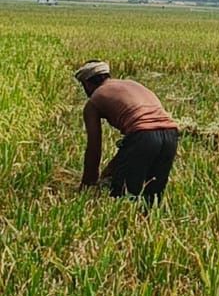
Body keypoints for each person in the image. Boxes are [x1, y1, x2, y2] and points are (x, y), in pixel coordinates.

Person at [74, 60, 179, 206]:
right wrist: (111, 168)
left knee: (123, 196)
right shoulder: (132, 84)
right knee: (152, 196)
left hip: (142, 135)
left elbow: (94, 147)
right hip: (171, 135)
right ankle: (145, 225)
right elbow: (133, 146)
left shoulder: (94, 100)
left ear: (87, 83)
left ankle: (124, 225)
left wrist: (88, 184)